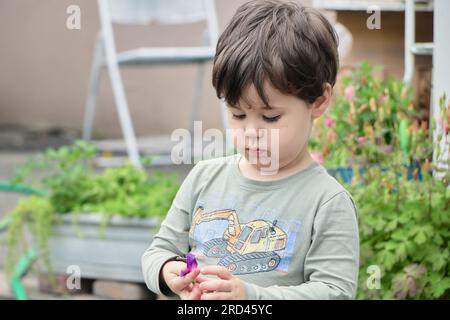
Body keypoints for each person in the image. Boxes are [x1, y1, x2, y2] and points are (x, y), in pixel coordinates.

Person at [142, 0, 359, 300]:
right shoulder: (204, 178)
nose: (251, 134)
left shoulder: (327, 202)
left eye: (270, 117)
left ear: (319, 101)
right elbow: (159, 250)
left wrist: (250, 296)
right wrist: (168, 271)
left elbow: (334, 292)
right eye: (238, 115)